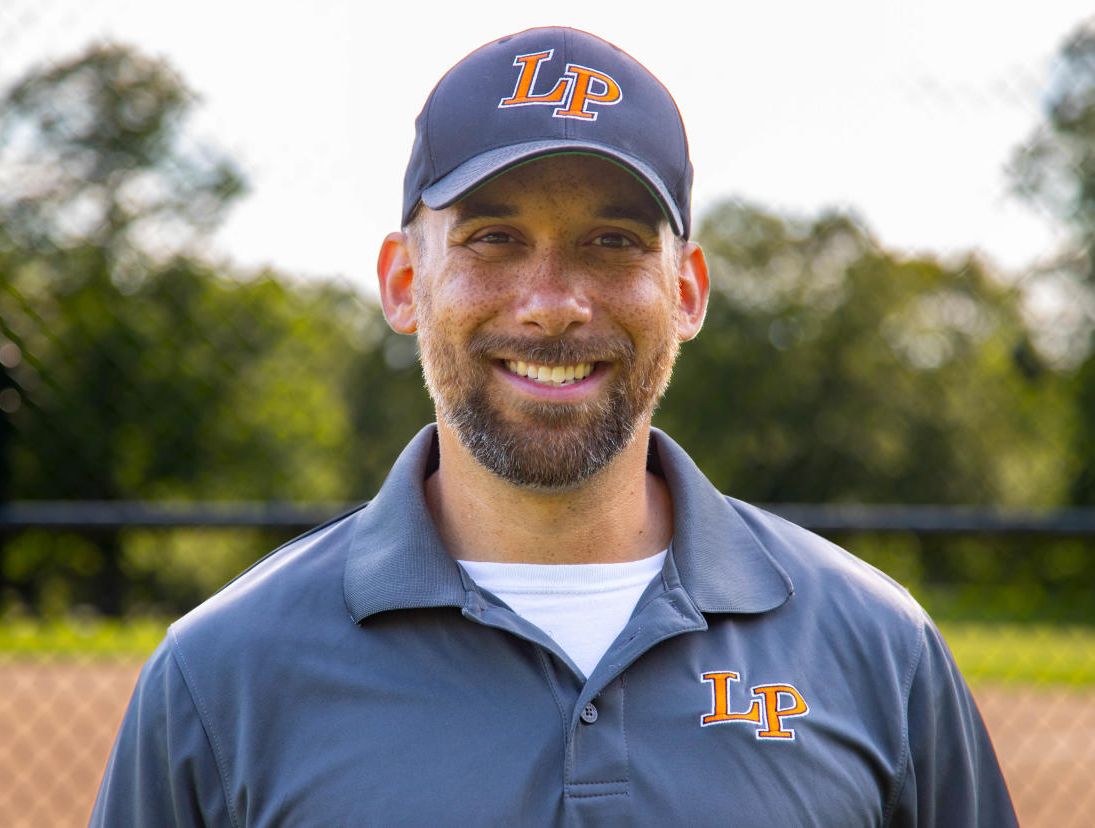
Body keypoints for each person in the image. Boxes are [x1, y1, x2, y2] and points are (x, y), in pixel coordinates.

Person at [90, 26, 1017, 826]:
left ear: (686, 291)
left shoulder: (878, 648)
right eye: (493, 238)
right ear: (405, 283)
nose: (554, 304)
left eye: (612, 241)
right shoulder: (221, 676)